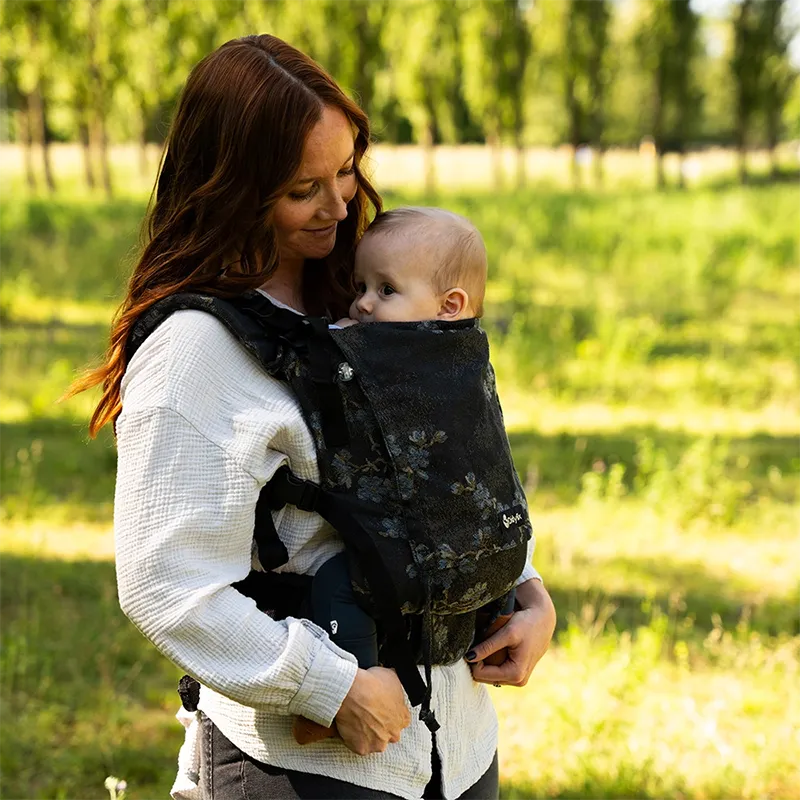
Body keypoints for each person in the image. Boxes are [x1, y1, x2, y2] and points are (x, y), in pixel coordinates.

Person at [73, 34, 556, 800]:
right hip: (304, 769)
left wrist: (528, 594)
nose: (338, 205)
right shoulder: (195, 349)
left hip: (458, 753)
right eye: (304, 188)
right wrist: (329, 688)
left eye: (345, 169)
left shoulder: (369, 291)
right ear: (232, 187)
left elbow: (445, 464)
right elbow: (166, 584)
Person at [336, 206, 487, 327]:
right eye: (362, 288)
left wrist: (339, 341)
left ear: (448, 306)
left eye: (387, 290)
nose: (362, 303)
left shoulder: (415, 356)